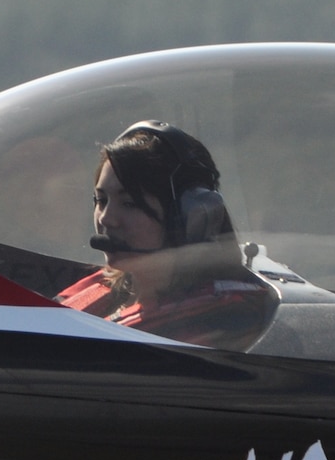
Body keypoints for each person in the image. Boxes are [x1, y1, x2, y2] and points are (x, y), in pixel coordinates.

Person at [56, 121, 273, 350]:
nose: (106, 219)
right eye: (101, 201)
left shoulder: (223, 323)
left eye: (129, 203)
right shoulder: (104, 287)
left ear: (190, 216)